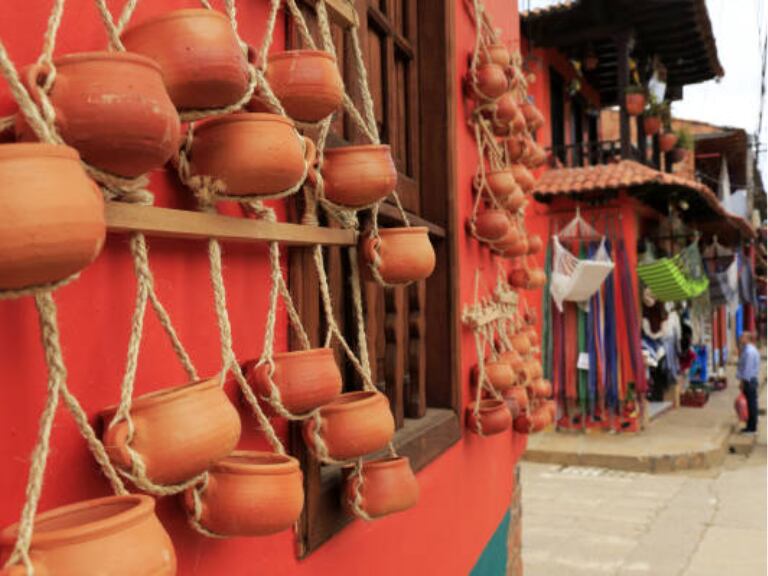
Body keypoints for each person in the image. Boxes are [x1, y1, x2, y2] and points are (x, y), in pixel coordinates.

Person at [736, 332, 761, 434]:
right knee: (750, 403)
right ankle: (750, 425)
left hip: (749, 381)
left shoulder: (749, 351)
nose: (740, 338)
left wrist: (743, 381)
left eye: (742, 337)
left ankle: (752, 427)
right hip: (750, 380)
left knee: (751, 404)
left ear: (747, 338)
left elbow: (748, 369)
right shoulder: (747, 349)